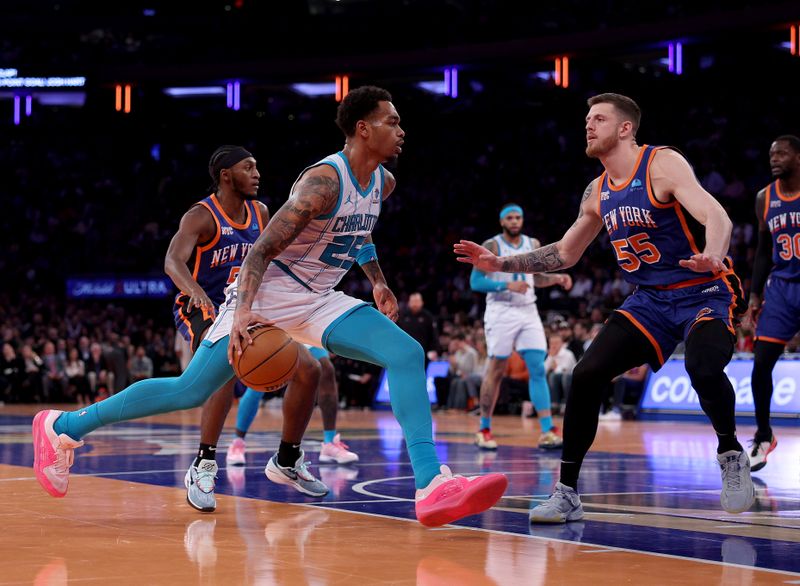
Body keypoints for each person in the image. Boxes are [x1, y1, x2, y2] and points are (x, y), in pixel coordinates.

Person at [34, 86, 506, 528]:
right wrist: (241, 314)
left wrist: (378, 282)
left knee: (405, 354)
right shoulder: (321, 182)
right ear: (363, 128)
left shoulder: (384, 182)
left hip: (319, 298)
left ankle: (430, 485)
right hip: (266, 297)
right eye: (392, 121)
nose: (402, 130)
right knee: (190, 391)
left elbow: (359, 234)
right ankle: (64, 427)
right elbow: (259, 252)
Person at [455, 92, 754, 522]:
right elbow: (565, 253)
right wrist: (500, 264)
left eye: (598, 119)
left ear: (625, 128)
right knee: (587, 373)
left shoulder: (661, 163)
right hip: (649, 301)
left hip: (703, 290)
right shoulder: (596, 191)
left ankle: (730, 452)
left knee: (703, 368)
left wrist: (714, 253)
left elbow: (717, 215)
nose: (588, 126)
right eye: (587, 120)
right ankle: (567, 493)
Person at [33, 146, 328, 513]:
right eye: (248, 167)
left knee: (312, 368)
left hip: (247, 307)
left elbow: (268, 259)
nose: (257, 174)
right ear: (225, 175)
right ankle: (204, 462)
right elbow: (172, 260)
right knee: (219, 374)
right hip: (201, 308)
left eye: (257, 167)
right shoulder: (201, 216)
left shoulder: (260, 212)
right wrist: (196, 291)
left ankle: (287, 457)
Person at [469, 204, 572, 450]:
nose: (515, 221)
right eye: (510, 218)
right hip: (501, 311)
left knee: (537, 368)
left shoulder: (533, 243)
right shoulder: (492, 245)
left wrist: (556, 278)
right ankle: (484, 428)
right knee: (496, 369)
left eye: (518, 217)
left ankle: (547, 429)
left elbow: (535, 278)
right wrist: (506, 286)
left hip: (528, 311)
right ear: (502, 221)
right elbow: (476, 281)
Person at [742, 134, 800, 471]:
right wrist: (754, 294)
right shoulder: (765, 198)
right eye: (771, 154)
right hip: (781, 288)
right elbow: (763, 251)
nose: (774, 158)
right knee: (761, 362)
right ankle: (764, 435)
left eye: (782, 153)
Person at [230, 345, 359, 468]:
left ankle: (330, 443)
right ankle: (237, 442)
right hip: (277, 326)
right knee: (260, 379)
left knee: (326, 368)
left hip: (304, 326)